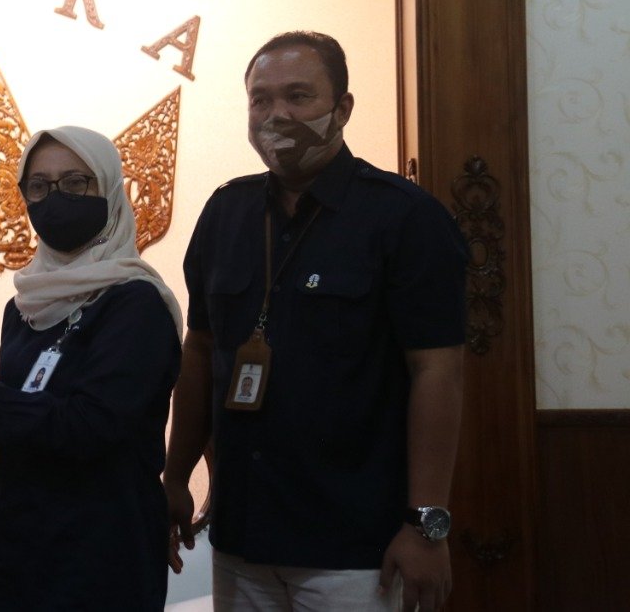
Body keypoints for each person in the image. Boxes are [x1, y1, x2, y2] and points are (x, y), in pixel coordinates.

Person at [164, 31, 467, 612]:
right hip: (242, 535)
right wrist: (175, 477)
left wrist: (426, 524)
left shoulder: (406, 218)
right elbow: (199, 352)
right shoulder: (225, 212)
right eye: (260, 99)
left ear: (343, 108)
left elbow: (438, 372)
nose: (276, 114)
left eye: (298, 96)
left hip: (356, 546)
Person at [0, 125, 182, 611]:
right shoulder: (24, 308)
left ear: (108, 188)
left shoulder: (137, 305)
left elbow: (87, 427)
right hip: (20, 552)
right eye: (39, 186)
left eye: (76, 182)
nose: (55, 198)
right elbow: (22, 424)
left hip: (101, 561)